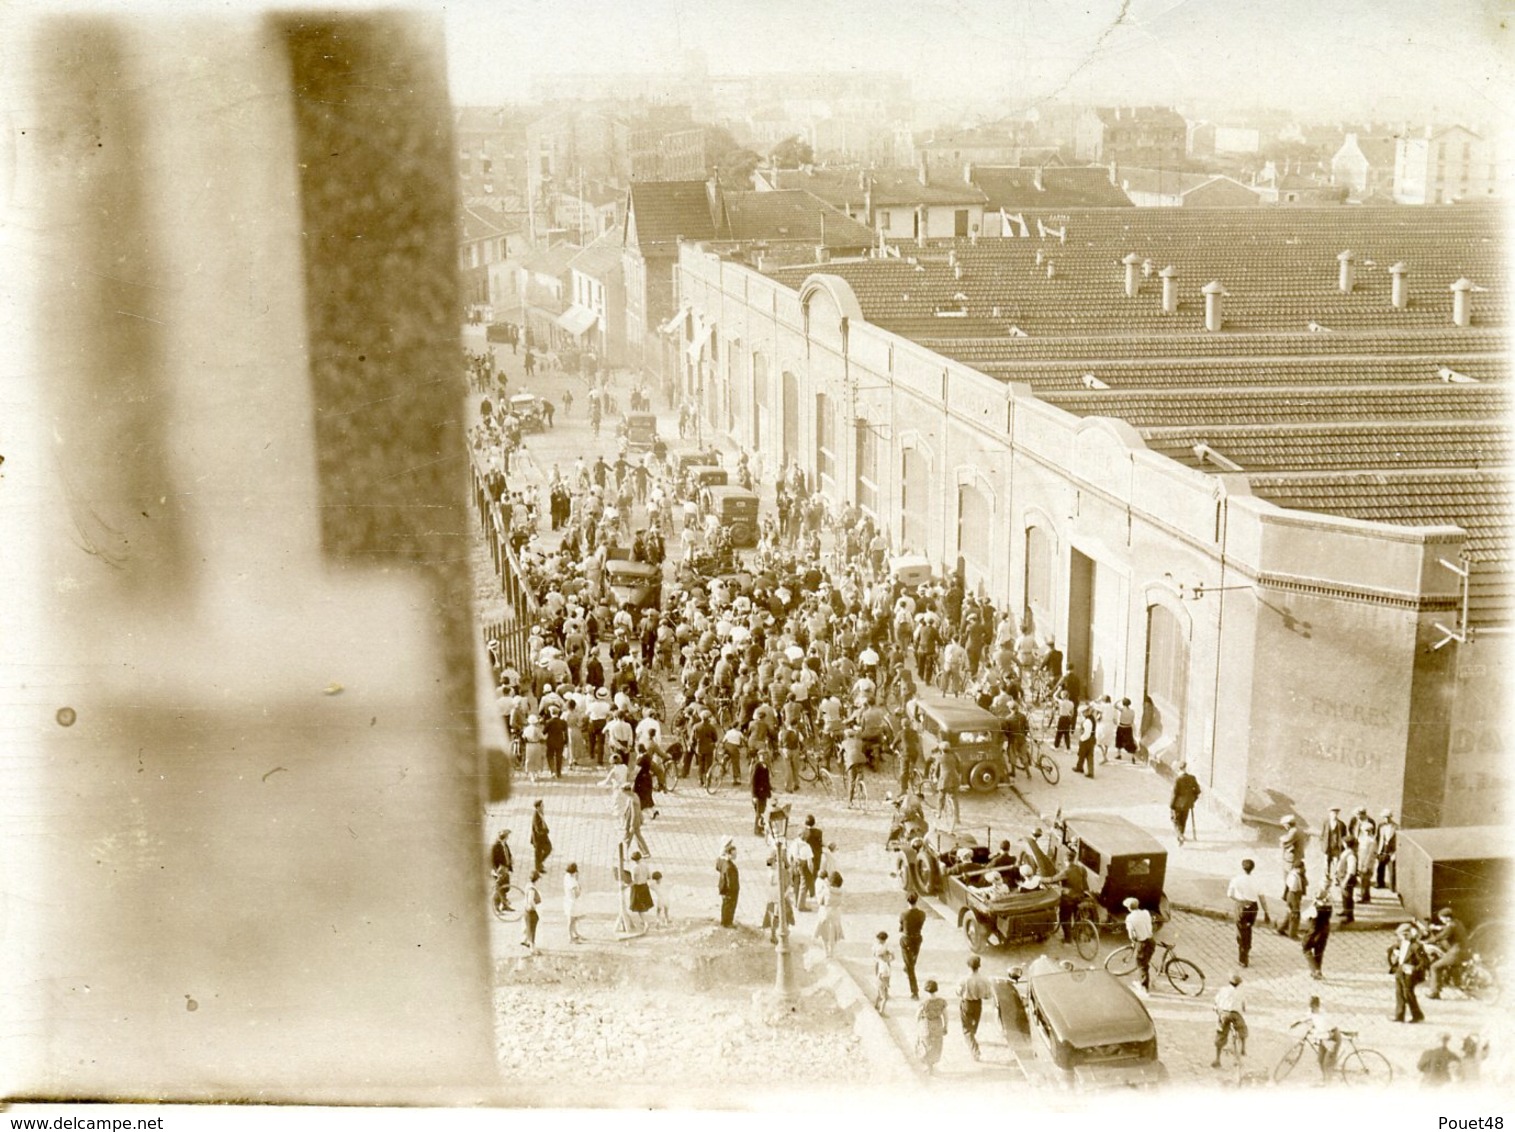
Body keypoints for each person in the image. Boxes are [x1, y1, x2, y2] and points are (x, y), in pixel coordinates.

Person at [1226, 858, 1268, 967]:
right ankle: (1248, 947)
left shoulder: (1236, 879)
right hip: (1253, 908)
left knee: (1241, 931)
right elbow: (1262, 898)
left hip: (1241, 907)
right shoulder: (1257, 880)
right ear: (1253, 868)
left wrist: (1240, 900)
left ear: (1242, 867)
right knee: (1248, 928)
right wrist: (1266, 912)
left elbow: (1229, 894)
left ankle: (1243, 959)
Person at [1388, 922, 1428, 1023]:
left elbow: (1425, 962)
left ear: (1410, 934)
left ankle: (1418, 1015)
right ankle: (1399, 1015)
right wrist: (1394, 952)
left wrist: (1413, 969)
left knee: (1408, 994)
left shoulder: (1417, 946)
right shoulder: (1401, 943)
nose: (1403, 937)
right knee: (1399, 993)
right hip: (1400, 970)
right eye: (1401, 935)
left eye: (1405, 935)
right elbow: (1392, 949)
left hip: (1410, 974)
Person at [957, 954, 994, 1060]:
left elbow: (958, 992)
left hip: (967, 1004)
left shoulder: (964, 979)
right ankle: (972, 1037)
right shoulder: (984, 979)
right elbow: (988, 995)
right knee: (974, 1023)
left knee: (966, 1029)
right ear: (979, 966)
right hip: (978, 1004)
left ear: (968, 966)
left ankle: (975, 1051)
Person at [1426, 907, 1467, 999]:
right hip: (1463, 951)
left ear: (1447, 918)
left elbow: (1441, 936)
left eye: (1442, 918)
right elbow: (1447, 927)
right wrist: (1437, 927)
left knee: (1435, 967)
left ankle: (1434, 992)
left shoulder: (1451, 926)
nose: (1441, 920)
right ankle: (1459, 985)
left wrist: (1427, 941)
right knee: (1452, 967)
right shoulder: (1457, 922)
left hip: (1455, 953)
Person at [1211, 974, 1248, 1067]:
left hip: (1224, 1014)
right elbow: (1244, 1006)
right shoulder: (1241, 992)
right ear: (1239, 984)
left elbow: (1216, 1002)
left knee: (1221, 1034)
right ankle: (1243, 1048)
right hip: (1235, 1014)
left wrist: (1216, 1009)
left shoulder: (1223, 990)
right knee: (1242, 1029)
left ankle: (1217, 1059)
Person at [1301, 995, 1341, 1076]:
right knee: (1320, 1060)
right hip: (1325, 1038)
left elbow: (1324, 1032)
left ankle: (1328, 1084)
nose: (1311, 1008)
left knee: (1327, 1063)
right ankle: (1325, 1080)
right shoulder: (1312, 1012)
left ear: (1316, 1006)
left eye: (1312, 1006)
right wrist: (1297, 1022)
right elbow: (1308, 1017)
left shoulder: (1323, 1017)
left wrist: (1314, 1032)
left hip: (1332, 1038)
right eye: (1310, 1006)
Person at [1124, 896, 1155, 991]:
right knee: (1146, 961)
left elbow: (1131, 935)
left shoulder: (1129, 918)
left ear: (1129, 908)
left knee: (1141, 965)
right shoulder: (1146, 912)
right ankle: (1150, 980)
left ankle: (1144, 987)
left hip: (1143, 943)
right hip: (1151, 941)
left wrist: (1133, 940)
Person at [917, 981, 948, 1074]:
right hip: (938, 1024)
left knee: (926, 1045)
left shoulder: (924, 1002)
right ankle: (931, 1067)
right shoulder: (941, 1001)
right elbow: (946, 1015)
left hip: (926, 1025)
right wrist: (946, 1026)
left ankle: (929, 1067)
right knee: (936, 1045)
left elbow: (917, 1015)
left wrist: (918, 1024)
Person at [899, 891, 926, 1000]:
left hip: (906, 939)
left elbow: (901, 926)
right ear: (917, 900)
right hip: (918, 938)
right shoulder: (922, 914)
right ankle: (907, 966)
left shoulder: (904, 914)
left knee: (910, 966)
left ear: (907, 901)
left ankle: (914, 992)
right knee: (912, 959)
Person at [1302, 889, 1332, 980]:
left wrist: (1312, 904)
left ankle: (1315, 970)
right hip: (1324, 932)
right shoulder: (1329, 907)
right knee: (1319, 952)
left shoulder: (1314, 908)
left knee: (1306, 949)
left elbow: (1304, 916)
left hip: (1313, 932)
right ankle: (1318, 970)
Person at [1170, 763, 1202, 844]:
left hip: (1177, 804)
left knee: (1175, 820)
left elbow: (1175, 793)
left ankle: (1180, 836)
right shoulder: (1192, 778)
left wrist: (1171, 805)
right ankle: (1181, 837)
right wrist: (1192, 799)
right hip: (1187, 804)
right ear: (1185, 769)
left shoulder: (1178, 779)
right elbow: (1198, 791)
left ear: (1179, 769)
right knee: (1183, 821)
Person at [814, 872, 845, 957]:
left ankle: (826, 952)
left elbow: (820, 901)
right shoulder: (841, 891)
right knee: (833, 933)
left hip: (825, 912)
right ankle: (832, 951)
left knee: (825, 933)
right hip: (836, 913)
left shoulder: (826, 890)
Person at [1278, 861, 1306, 940]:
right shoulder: (1295, 877)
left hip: (1291, 896)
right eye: (1302, 868)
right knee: (1295, 915)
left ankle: (1282, 928)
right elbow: (1294, 890)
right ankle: (1292, 934)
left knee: (1289, 914)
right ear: (1298, 868)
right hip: (1294, 896)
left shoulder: (1292, 874)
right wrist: (1296, 901)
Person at [626, 850, 652, 933]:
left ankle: (645, 923)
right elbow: (649, 876)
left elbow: (633, 881)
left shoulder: (634, 868)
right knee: (643, 906)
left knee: (639, 908)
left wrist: (626, 886)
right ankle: (643, 921)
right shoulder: (645, 865)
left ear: (633, 860)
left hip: (637, 888)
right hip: (645, 886)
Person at [716, 838, 739, 927]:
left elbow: (718, 866)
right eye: (734, 854)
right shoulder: (729, 867)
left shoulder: (722, 861)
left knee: (725, 905)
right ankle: (727, 923)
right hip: (730, 891)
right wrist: (732, 891)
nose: (735, 856)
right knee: (730, 907)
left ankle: (725, 921)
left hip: (724, 889)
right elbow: (731, 882)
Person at [1320, 806, 1348, 878]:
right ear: (1329, 814)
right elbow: (1322, 835)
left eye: (1336, 813)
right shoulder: (1325, 823)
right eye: (1332, 813)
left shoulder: (1341, 824)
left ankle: (1337, 878)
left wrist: (1343, 846)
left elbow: (1344, 837)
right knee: (1326, 863)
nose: (1334, 815)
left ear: (1337, 814)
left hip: (1336, 848)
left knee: (1337, 863)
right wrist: (1322, 845)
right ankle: (1326, 877)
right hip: (1327, 847)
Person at [1375, 809, 1399, 892]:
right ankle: (1380, 883)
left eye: (1388, 817)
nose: (1386, 819)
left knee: (1392, 869)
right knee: (1380, 867)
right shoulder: (1381, 826)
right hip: (1382, 849)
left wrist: (1395, 853)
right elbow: (1378, 838)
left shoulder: (1396, 827)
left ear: (1391, 817)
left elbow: (1397, 841)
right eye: (1385, 817)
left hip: (1391, 850)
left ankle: (1393, 887)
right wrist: (1377, 850)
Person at [490, 828, 514, 910]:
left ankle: (504, 905)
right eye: (507, 836)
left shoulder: (504, 844)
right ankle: (497, 906)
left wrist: (510, 863)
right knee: (499, 889)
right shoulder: (496, 846)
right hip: (499, 870)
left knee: (506, 888)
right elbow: (492, 860)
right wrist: (495, 871)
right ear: (504, 837)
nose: (508, 838)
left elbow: (508, 854)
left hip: (505, 869)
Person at [750, 749, 772, 836]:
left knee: (763, 811)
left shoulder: (765, 766)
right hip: (758, 794)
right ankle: (757, 830)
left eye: (764, 755)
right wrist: (754, 796)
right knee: (759, 812)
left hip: (764, 794)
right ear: (758, 757)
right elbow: (753, 782)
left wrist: (769, 791)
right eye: (761, 756)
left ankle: (761, 826)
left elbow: (767, 780)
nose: (763, 757)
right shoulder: (757, 766)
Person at [872, 931, 895, 1013]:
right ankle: (883, 991)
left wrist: (888, 959)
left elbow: (892, 956)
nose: (879, 941)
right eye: (878, 939)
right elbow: (873, 955)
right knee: (880, 977)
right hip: (878, 962)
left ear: (884, 940)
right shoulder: (875, 945)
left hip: (883, 962)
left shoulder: (886, 946)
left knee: (886, 974)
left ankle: (884, 991)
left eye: (881, 940)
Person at [1072, 705, 1096, 778]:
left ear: (1085, 712)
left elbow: (1086, 733)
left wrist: (1081, 739)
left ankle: (1079, 768)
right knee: (1089, 756)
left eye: (1082, 713)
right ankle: (1090, 772)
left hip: (1086, 740)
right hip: (1092, 738)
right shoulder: (1092, 718)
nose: (1082, 715)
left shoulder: (1087, 721)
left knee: (1081, 754)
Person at [562, 862, 584, 944]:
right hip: (572, 902)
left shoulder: (566, 877)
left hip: (567, 900)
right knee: (571, 920)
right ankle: (570, 938)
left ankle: (575, 934)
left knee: (573, 919)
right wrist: (579, 887)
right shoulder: (573, 882)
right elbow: (576, 894)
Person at [529, 799, 552, 874]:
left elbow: (543, 823)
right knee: (538, 853)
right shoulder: (536, 816)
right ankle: (538, 867)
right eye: (542, 805)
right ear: (538, 807)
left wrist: (546, 829)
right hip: (538, 838)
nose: (543, 807)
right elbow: (537, 829)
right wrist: (545, 831)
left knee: (549, 848)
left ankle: (539, 864)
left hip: (544, 836)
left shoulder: (541, 813)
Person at [522, 870, 542, 954]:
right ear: (537, 879)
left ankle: (525, 940)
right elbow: (530, 900)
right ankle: (532, 948)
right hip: (531, 911)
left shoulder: (528, 885)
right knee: (532, 929)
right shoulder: (532, 889)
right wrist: (535, 907)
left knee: (528, 927)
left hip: (526, 909)